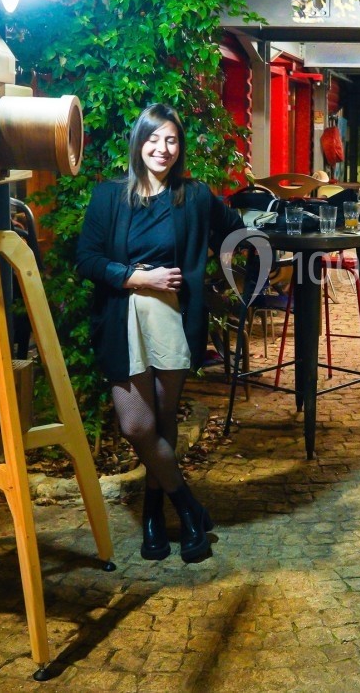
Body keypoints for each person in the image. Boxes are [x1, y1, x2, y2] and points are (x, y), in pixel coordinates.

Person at [76, 103, 245, 565]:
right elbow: (86, 259)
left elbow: (235, 231)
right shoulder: (109, 197)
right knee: (138, 424)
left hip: (172, 320)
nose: (162, 149)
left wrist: (244, 264)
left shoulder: (193, 196)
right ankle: (187, 505)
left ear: (180, 147)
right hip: (123, 318)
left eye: (171, 140)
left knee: (165, 419)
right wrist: (135, 277)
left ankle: (154, 517)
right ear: (139, 142)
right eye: (154, 139)